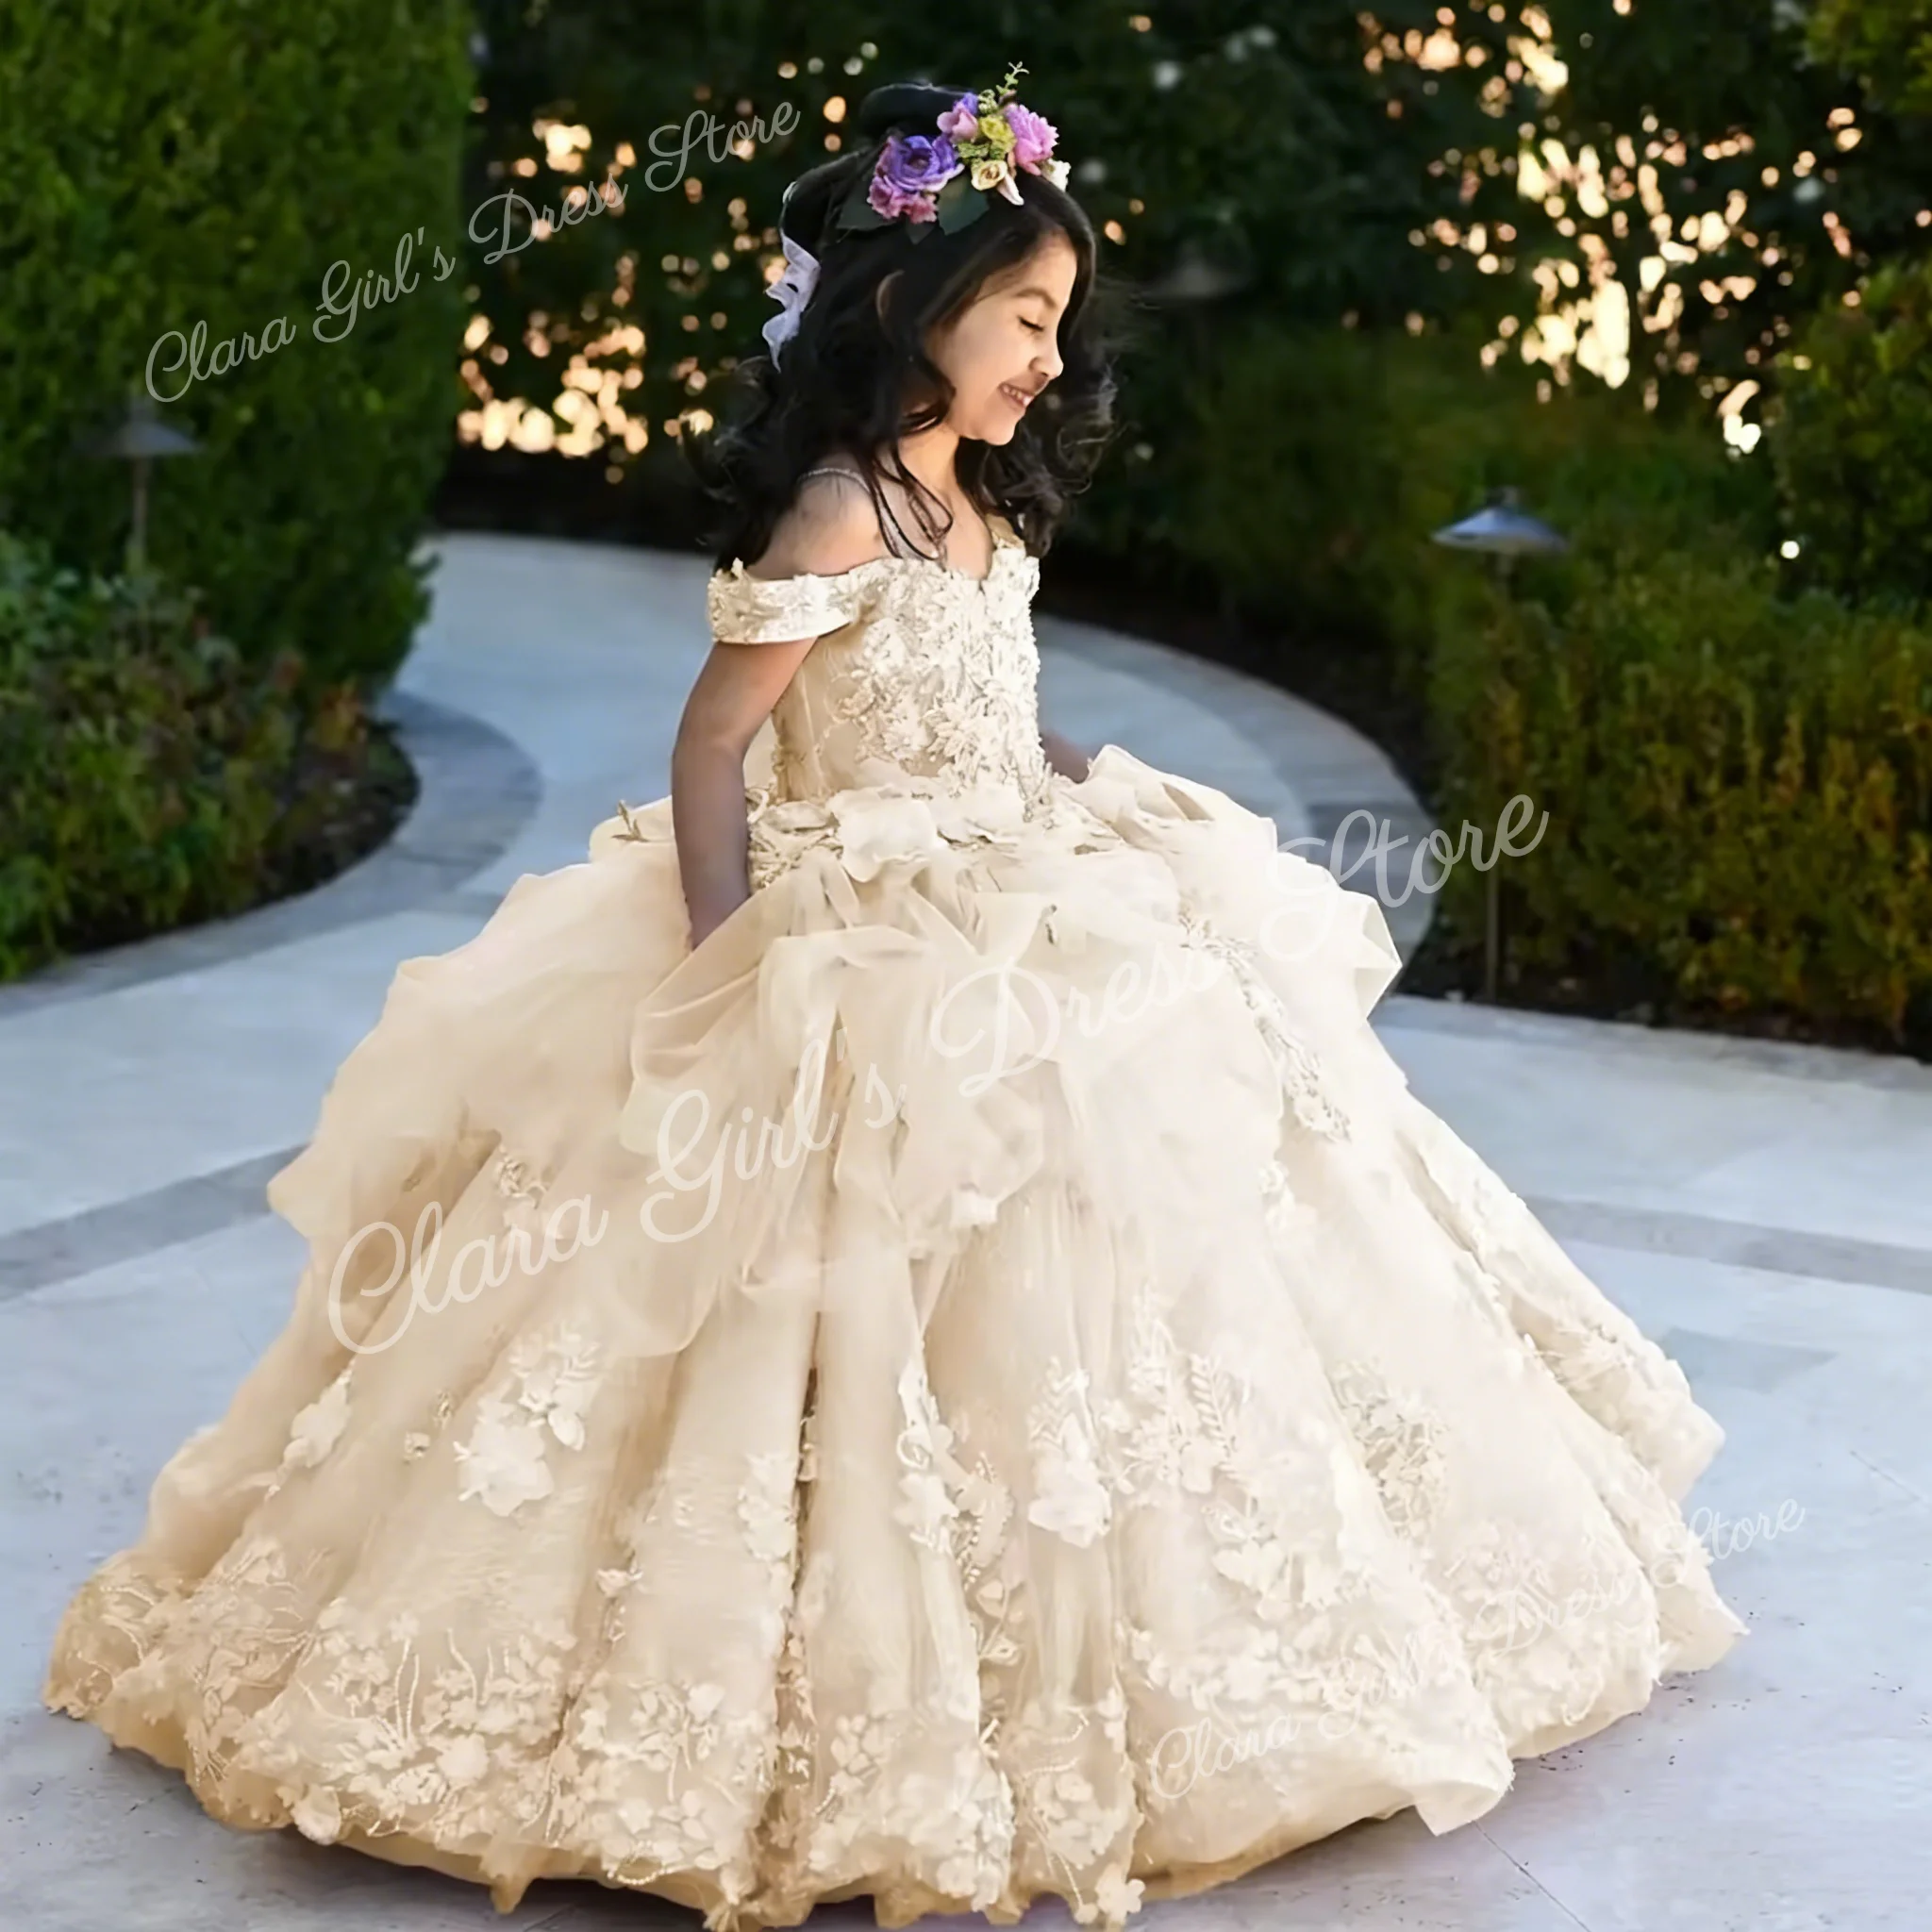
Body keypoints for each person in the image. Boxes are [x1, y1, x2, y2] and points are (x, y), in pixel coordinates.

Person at [44, 69, 1746, 1932]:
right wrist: (719, 967)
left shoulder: (977, 512)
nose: (1046, 353)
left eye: (1059, 323)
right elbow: (715, 754)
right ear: (906, 306)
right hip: (842, 918)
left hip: (1015, 881)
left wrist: (1092, 780)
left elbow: (991, 718)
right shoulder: (839, 515)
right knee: (803, 1285)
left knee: (1160, 1214)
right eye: (1022, 315)